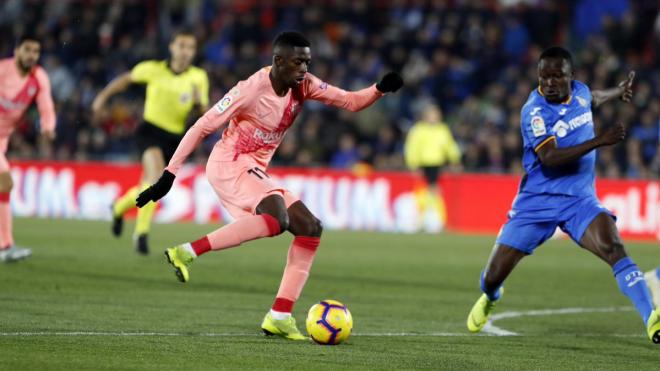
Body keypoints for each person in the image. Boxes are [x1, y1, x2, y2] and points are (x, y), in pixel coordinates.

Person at [136, 31, 403, 340]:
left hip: (254, 169)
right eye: (298, 62)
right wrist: (169, 175)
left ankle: (279, 315)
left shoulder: (304, 85)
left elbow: (350, 101)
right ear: (278, 61)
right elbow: (202, 125)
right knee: (278, 218)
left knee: (310, 228)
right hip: (229, 164)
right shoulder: (249, 90)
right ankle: (188, 251)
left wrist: (380, 88)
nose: (304, 69)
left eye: (307, 62)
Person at [465, 46, 660, 344]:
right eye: (545, 76)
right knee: (492, 277)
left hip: (579, 201)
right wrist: (599, 141)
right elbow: (551, 158)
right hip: (537, 203)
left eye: (558, 76)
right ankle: (491, 296)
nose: (550, 83)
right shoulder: (535, 111)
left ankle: (651, 319)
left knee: (614, 248)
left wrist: (616, 92)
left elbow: (591, 98)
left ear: (572, 77)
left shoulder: (580, 92)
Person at [92, 29, 209, 254]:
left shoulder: (198, 78)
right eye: (181, 46)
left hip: (176, 139)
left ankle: (118, 208)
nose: (185, 52)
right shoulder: (153, 69)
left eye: (190, 48)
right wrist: (102, 98)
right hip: (149, 132)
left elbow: (204, 112)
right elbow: (124, 81)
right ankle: (141, 233)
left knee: (150, 184)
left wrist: (198, 104)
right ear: (172, 47)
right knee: (154, 177)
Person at [0, 34, 56, 263]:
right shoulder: (3, 70)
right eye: (27, 50)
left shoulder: (38, 77)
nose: (32, 55)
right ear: (17, 50)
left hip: (2, 139)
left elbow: (46, 105)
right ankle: (5, 245)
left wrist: (48, 126)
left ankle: (4, 245)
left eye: (36, 51)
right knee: (6, 182)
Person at [404, 103, 460, 231]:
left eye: (436, 114)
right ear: (425, 116)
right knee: (425, 191)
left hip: (436, 163)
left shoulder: (442, 129)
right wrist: (413, 164)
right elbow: (412, 147)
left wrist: (454, 160)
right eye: (432, 114)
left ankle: (430, 220)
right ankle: (426, 219)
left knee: (433, 191)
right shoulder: (418, 129)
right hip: (423, 164)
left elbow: (450, 146)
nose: (435, 117)